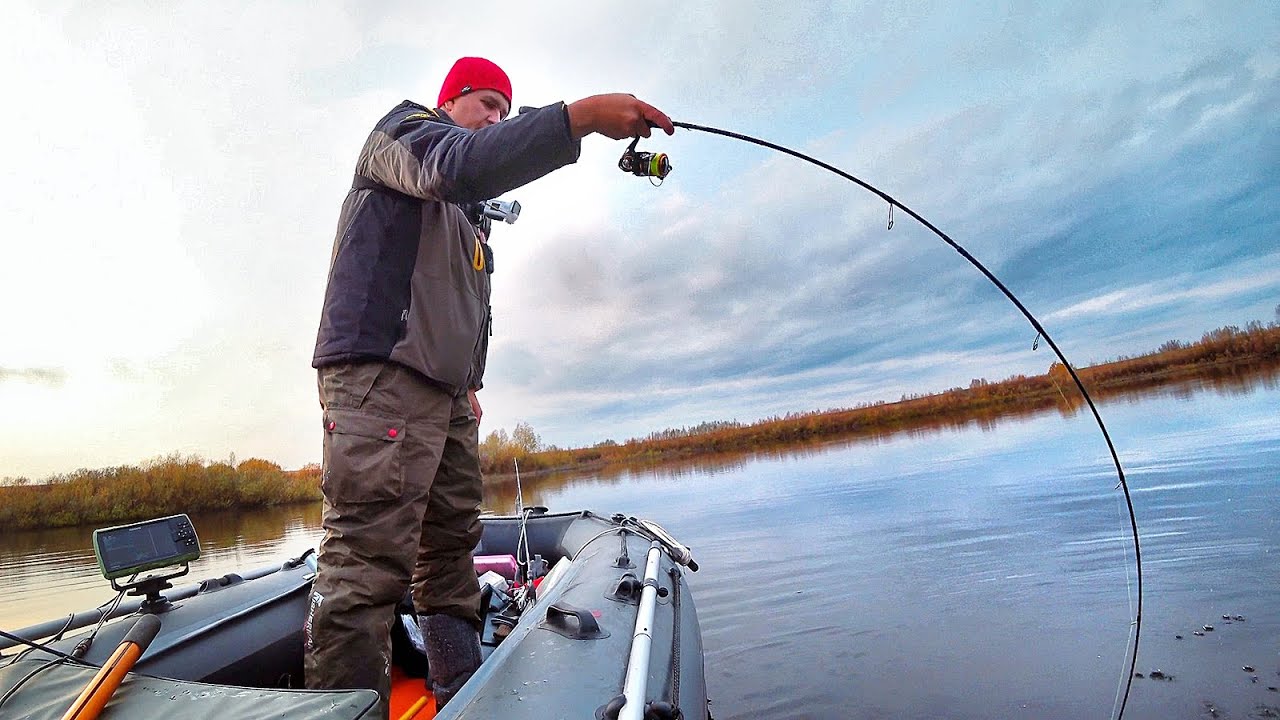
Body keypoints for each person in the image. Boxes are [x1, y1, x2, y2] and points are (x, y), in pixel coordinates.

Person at [305, 56, 673, 714]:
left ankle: (459, 693)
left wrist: (467, 382)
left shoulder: (470, 213)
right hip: (379, 379)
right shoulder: (404, 133)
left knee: (449, 548)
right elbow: (460, 163)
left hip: (444, 395)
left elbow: (467, 301)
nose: (497, 118)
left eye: (506, 111)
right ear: (452, 101)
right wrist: (580, 118)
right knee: (364, 565)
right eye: (487, 105)